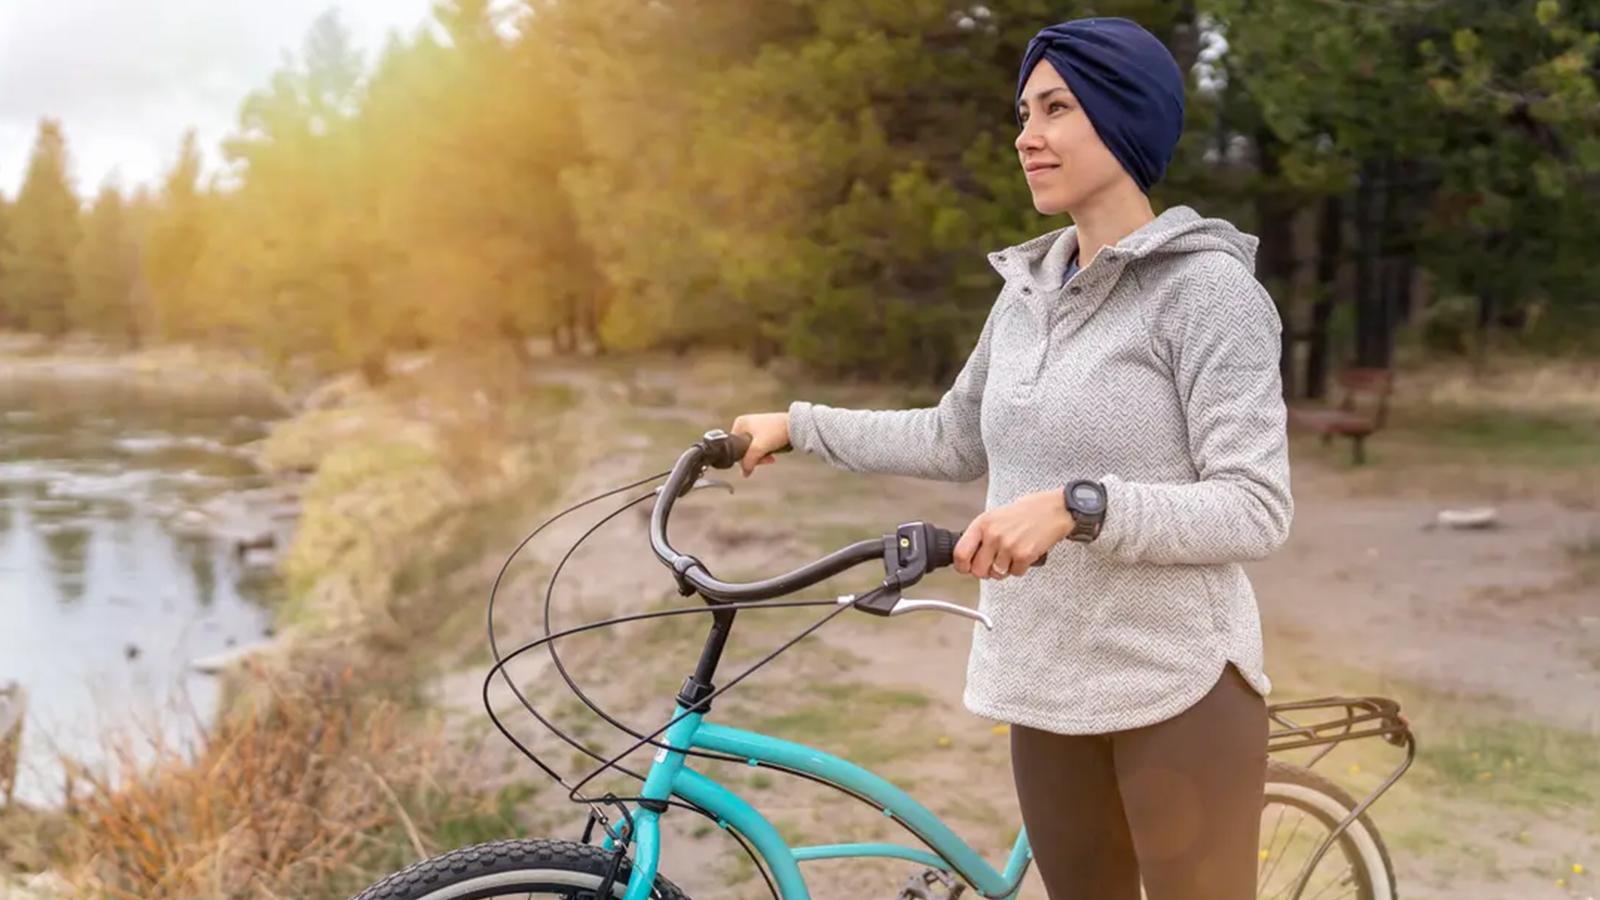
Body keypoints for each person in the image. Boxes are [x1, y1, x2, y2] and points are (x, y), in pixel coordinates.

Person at [730, 16, 1292, 900]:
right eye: (1023, 112)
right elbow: (955, 438)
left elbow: (1255, 506)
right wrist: (799, 425)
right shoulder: (1028, 293)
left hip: (1178, 687)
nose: (1026, 136)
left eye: (1056, 108)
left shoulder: (1210, 293)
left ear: (1125, 114)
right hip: (1043, 679)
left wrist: (1080, 506)